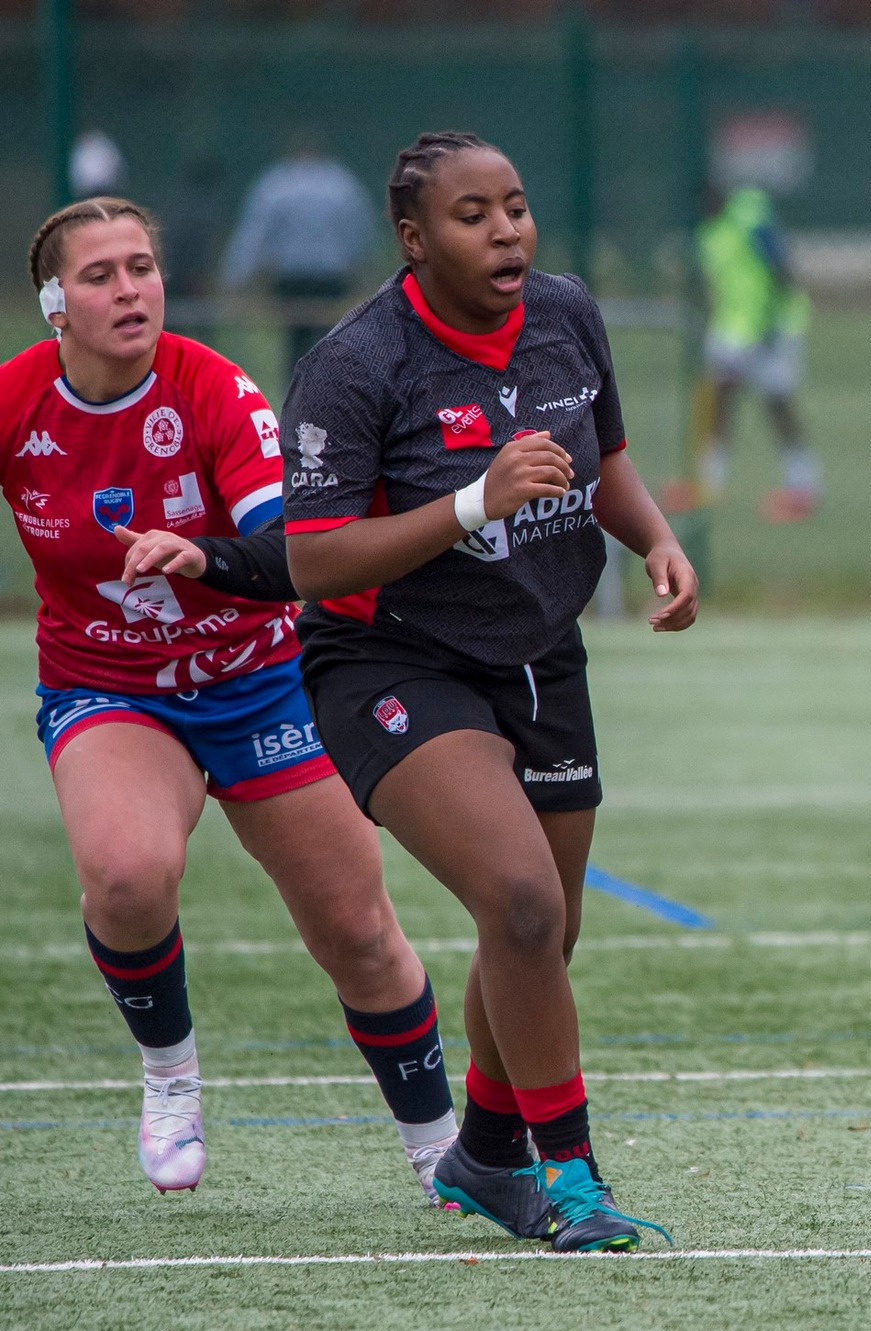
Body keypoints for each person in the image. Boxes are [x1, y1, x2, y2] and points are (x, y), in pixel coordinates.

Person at [283, 132, 699, 1253]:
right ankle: (571, 1177)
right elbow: (313, 559)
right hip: (392, 663)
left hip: (541, 655)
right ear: (414, 240)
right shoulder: (358, 362)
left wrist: (656, 540)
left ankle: (483, 1154)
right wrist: (474, 502)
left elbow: (600, 453)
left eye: (514, 205)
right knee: (520, 901)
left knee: (538, 934)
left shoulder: (565, 311)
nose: (506, 228)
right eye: (473, 214)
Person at [1, 196, 456, 1202]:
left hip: (259, 681)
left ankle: (439, 1149)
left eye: (141, 268)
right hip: (108, 684)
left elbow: (296, 554)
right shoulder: (18, 401)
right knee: (125, 874)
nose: (129, 290)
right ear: (53, 305)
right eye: (99, 275)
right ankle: (170, 1079)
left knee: (358, 930)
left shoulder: (213, 389)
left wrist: (204, 554)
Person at [694, 186, 817, 522]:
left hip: (771, 327)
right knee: (719, 397)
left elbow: (780, 266)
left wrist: (771, 322)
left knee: (778, 403)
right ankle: (711, 482)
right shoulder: (706, 236)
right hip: (734, 331)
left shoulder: (749, 215)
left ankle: (803, 484)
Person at [220, 135, 378, 375]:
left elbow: (255, 236)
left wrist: (236, 278)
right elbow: (361, 231)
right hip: (331, 279)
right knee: (330, 336)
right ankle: (328, 387)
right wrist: (366, 271)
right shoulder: (342, 183)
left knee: (295, 340)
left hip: (290, 279)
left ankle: (295, 390)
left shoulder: (276, 183)